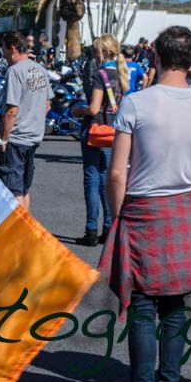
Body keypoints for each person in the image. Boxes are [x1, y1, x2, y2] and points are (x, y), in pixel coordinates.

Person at [101, 26, 191, 382]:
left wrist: (118, 216)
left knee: (144, 310)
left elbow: (117, 173)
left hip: (143, 208)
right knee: (175, 310)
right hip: (183, 206)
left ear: (157, 56)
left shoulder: (136, 103)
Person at [74, 34, 130, 246]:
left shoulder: (101, 74)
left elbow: (94, 108)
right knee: (107, 179)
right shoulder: (123, 73)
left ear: (102, 52)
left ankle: (90, 230)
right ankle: (109, 228)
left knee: (91, 178)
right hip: (113, 131)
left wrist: (80, 110)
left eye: (96, 51)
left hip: (95, 130)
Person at [0, 31, 49, 210]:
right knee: (24, 189)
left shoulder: (14, 71)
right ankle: (27, 234)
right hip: (34, 136)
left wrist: (4, 138)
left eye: (3, 49)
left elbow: (12, 110)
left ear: (12, 48)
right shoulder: (40, 69)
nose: (2, 54)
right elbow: (47, 105)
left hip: (17, 138)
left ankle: (18, 234)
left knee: (13, 190)